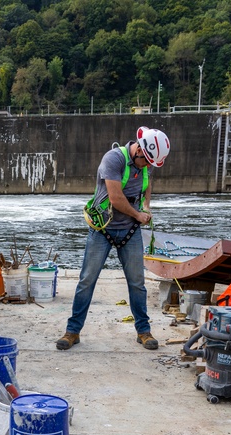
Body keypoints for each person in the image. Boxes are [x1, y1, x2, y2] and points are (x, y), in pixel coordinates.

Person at [56, 127, 170, 351]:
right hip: (103, 230)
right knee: (87, 281)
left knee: (137, 283)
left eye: (150, 164)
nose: (147, 166)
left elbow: (146, 188)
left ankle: (143, 331)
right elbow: (116, 199)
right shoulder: (113, 159)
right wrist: (138, 215)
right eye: (146, 161)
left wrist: (146, 207)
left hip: (129, 232)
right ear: (138, 149)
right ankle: (73, 331)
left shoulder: (145, 163)